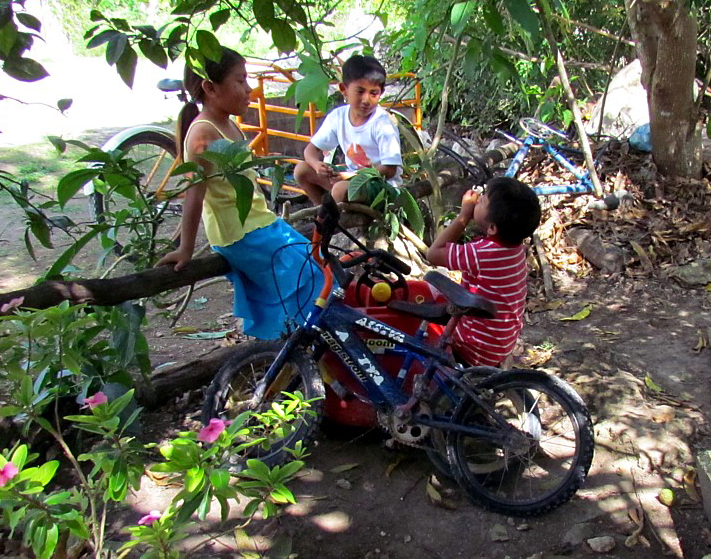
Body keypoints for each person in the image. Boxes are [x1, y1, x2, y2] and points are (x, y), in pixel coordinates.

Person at [156, 47, 323, 340]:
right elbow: (195, 193)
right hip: (241, 234)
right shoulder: (203, 134)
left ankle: (297, 347)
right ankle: (303, 349)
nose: (249, 90)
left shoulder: (228, 123)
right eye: (240, 81)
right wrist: (186, 248)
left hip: (260, 225)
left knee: (316, 267)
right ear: (210, 88)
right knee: (310, 279)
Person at [426, 177, 542, 367]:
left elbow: (433, 254)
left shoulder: (481, 254)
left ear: (492, 228)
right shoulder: (515, 248)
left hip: (474, 349)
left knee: (424, 312)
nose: (478, 199)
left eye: (483, 199)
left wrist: (463, 216)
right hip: (500, 344)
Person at [294, 54, 403, 205]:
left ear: (381, 93)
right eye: (360, 91)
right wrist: (317, 165)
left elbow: (390, 170)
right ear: (344, 89)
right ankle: (326, 215)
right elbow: (310, 151)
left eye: (374, 93)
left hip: (382, 185)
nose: (366, 100)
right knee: (301, 170)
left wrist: (351, 177)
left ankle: (331, 220)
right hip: (350, 178)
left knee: (339, 189)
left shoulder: (382, 123)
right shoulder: (338, 117)